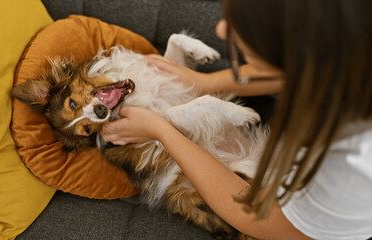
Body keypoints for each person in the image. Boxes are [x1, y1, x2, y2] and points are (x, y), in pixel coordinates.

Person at [101, 0, 372, 239]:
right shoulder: (352, 52)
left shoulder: (350, 166)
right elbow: (297, 70)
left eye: (241, 26)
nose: (220, 30)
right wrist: (204, 82)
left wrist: (161, 129)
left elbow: (258, 217)